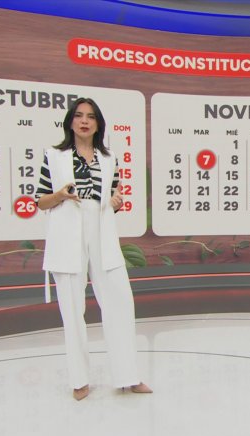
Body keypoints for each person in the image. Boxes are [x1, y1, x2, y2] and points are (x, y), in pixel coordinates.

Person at [35, 97, 152, 401]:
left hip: (101, 228)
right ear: (70, 121)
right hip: (67, 230)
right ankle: (79, 380)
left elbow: (113, 199)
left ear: (98, 123)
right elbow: (41, 201)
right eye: (79, 116)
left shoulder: (109, 158)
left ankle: (128, 376)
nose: (84, 121)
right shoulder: (54, 156)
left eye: (90, 116)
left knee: (120, 300)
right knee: (72, 309)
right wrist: (60, 195)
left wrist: (115, 203)